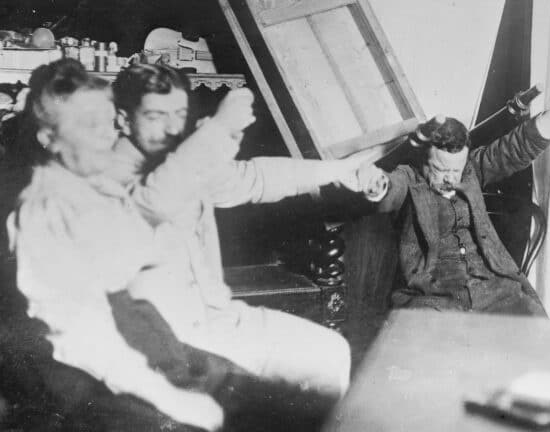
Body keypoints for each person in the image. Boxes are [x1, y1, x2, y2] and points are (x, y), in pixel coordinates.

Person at [107, 63, 362, 411]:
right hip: (160, 343)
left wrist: (337, 171)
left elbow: (252, 178)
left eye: (179, 114)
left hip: (217, 322)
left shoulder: (180, 162)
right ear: (122, 119)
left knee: (329, 352)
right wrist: (219, 129)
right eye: (155, 115)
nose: (171, 128)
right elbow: (156, 200)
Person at [6, 59, 226, 430]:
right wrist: (168, 396)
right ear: (48, 137)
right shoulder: (43, 208)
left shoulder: (89, 188)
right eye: (90, 126)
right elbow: (77, 336)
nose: (108, 137)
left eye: (109, 123)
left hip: (124, 333)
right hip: (70, 366)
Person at [355, 81, 550, 315]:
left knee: (532, 320)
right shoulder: (408, 178)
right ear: (423, 159)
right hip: (434, 298)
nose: (450, 179)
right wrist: (375, 184)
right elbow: (389, 190)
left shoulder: (470, 170)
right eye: (441, 170)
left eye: (456, 170)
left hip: (491, 289)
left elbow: (518, 147)